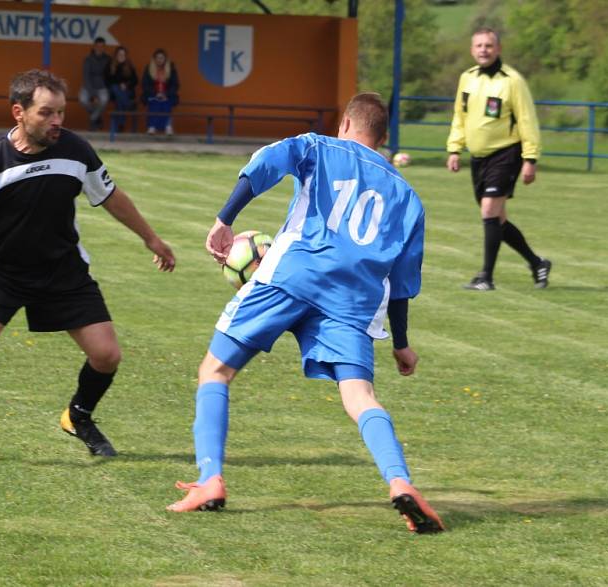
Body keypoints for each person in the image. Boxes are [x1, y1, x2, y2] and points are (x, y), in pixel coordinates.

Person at [167, 93, 445, 535]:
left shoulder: (319, 145)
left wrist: (225, 218)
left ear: (346, 124)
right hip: (352, 301)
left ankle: (209, 480)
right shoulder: (409, 199)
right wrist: (402, 343)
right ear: (383, 136)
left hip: (291, 276)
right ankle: (400, 483)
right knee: (360, 397)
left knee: (215, 371)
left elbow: (266, 162)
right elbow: (404, 279)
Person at [0, 69, 175, 461]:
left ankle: (78, 417)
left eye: (60, 112)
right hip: (3, 273)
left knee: (107, 356)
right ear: (18, 113)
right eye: (47, 113)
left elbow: (110, 196)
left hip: (63, 271)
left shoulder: (76, 151)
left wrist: (151, 238)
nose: (57, 121)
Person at [447, 27, 551, 291]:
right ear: (472, 50)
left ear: (498, 49)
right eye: (479, 45)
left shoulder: (512, 81)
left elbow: (527, 120)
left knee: (489, 212)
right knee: (497, 219)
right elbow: (460, 117)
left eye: (489, 45)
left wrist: (530, 158)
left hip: (506, 154)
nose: (484, 50)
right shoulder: (467, 78)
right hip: (478, 158)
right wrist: (455, 149)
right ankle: (537, 263)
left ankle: (486, 277)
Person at [141, 48, 179, 136]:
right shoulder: (148, 68)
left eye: (162, 57)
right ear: (154, 59)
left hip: (167, 94)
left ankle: (168, 126)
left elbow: (175, 84)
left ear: (165, 59)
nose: (159, 60)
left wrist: (166, 94)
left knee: (166, 103)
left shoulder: (171, 68)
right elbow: (145, 84)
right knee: (155, 102)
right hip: (152, 94)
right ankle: (152, 127)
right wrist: (155, 93)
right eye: (157, 58)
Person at [79, 37, 110, 131]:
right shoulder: (88, 59)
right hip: (88, 86)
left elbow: (110, 76)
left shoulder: (108, 59)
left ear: (104, 47)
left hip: (102, 87)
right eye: (98, 46)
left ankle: (93, 118)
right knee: (83, 100)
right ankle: (97, 116)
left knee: (104, 100)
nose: (100, 48)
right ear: (94, 46)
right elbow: (86, 77)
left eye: (102, 46)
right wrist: (93, 95)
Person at [106, 45, 138, 132]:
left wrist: (126, 85)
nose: (121, 56)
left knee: (119, 102)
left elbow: (135, 80)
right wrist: (119, 84)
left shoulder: (129, 65)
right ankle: (128, 105)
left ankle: (121, 124)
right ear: (116, 55)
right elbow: (108, 80)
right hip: (114, 91)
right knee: (115, 88)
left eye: (123, 55)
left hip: (127, 91)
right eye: (119, 54)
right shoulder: (111, 65)